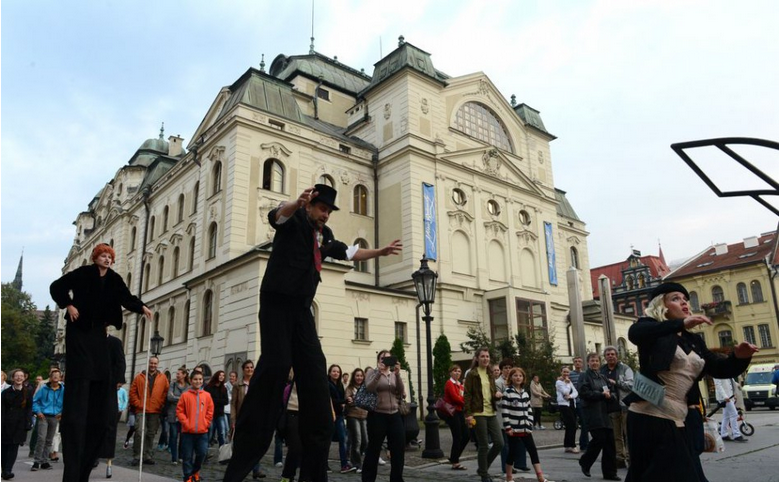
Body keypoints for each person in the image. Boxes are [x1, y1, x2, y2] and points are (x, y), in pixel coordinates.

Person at [224, 185, 402, 482]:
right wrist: (297, 202)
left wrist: (381, 252)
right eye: (322, 209)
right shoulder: (293, 220)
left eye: (329, 211)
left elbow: (350, 252)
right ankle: (248, 442)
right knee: (278, 364)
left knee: (316, 371)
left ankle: (314, 466)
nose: (326, 214)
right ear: (310, 206)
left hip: (302, 309)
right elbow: (276, 216)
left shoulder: (325, 236)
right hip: (276, 303)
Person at [625, 283, 756, 482]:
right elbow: (636, 333)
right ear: (662, 305)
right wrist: (680, 324)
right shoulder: (651, 330)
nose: (684, 302)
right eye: (676, 298)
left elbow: (718, 368)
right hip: (649, 417)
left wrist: (740, 358)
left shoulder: (693, 340)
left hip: (678, 417)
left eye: (685, 299)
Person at [49, 243, 153, 481]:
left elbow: (126, 298)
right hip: (79, 328)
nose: (107, 259)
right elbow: (57, 286)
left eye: (110, 256)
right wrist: (68, 304)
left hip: (98, 333)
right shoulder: (83, 273)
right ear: (96, 257)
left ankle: (98, 409)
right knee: (83, 372)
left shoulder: (114, 279)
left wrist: (142, 307)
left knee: (101, 373)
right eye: (104, 256)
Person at [362, 350, 407, 483]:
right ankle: (368, 479)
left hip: (394, 414)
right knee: (374, 449)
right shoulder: (372, 372)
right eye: (383, 358)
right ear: (378, 360)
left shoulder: (393, 374)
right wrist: (378, 373)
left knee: (398, 449)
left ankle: (397, 479)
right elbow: (369, 388)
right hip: (377, 415)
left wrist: (398, 375)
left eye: (389, 358)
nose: (386, 361)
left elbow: (400, 390)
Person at [501, 368, 550, 483]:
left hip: (525, 428)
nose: (518, 377)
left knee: (533, 451)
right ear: (511, 378)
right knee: (512, 453)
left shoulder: (525, 393)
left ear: (523, 378)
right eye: (515, 375)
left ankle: (540, 477)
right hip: (513, 429)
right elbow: (505, 411)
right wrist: (508, 427)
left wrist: (529, 424)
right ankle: (509, 478)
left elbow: (529, 410)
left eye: (520, 376)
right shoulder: (507, 392)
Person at [578, 353, 620, 481]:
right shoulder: (584, 376)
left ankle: (610, 473)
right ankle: (585, 461)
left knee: (610, 443)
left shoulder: (602, 377)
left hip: (604, 412)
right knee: (599, 438)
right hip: (592, 412)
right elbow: (584, 393)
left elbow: (611, 391)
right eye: (592, 361)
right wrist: (601, 395)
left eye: (597, 361)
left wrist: (610, 396)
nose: (595, 363)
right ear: (588, 362)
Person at [464, 348, 504, 483]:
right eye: (482, 356)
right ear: (477, 358)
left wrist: (496, 396)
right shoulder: (472, 374)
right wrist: (468, 414)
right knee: (484, 445)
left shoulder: (490, 373)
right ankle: (484, 474)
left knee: (499, 443)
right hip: (478, 413)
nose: (485, 359)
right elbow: (467, 395)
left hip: (491, 412)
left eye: (487, 356)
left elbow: (491, 392)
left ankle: (482, 467)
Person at [129, 356, 170, 466]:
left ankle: (147, 455)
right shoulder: (139, 377)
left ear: (158, 364)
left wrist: (160, 403)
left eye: (155, 363)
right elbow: (132, 393)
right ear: (148, 363)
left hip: (155, 410)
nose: (153, 365)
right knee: (139, 433)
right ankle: (137, 455)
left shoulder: (163, 378)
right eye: (151, 363)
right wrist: (139, 404)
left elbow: (166, 392)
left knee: (151, 434)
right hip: (141, 409)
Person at [177, 370, 214, 483]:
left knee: (202, 453)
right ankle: (188, 476)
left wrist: (206, 422)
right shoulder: (185, 395)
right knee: (187, 456)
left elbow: (210, 410)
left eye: (200, 379)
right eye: (195, 379)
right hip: (188, 432)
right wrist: (186, 423)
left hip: (202, 432)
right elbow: (180, 410)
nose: (198, 381)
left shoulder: (207, 395)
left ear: (202, 381)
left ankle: (195, 471)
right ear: (191, 380)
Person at [600, 346, 634, 468]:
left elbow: (631, 384)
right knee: (616, 435)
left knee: (628, 433)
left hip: (625, 405)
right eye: (608, 354)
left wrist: (617, 383)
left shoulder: (625, 368)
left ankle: (631, 458)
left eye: (612, 354)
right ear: (605, 357)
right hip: (610, 406)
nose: (610, 356)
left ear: (616, 355)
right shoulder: (602, 370)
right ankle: (620, 457)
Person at [230, 360, 264, 479]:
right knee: (240, 445)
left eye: (251, 367)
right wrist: (233, 420)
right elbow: (233, 403)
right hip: (241, 418)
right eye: (247, 368)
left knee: (255, 444)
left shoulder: (258, 383)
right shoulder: (237, 385)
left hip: (254, 418)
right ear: (243, 370)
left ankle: (256, 469)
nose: (250, 370)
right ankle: (238, 469)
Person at [99, 333, 126, 478]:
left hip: (109, 385)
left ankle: (108, 457)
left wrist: (119, 379)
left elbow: (120, 362)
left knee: (109, 423)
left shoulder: (115, 342)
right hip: (93, 386)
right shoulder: (90, 339)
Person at [496, 358, 528, 474]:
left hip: (516, 416)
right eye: (505, 368)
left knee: (520, 440)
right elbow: (497, 401)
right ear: (501, 370)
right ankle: (506, 466)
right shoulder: (498, 383)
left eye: (510, 368)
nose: (508, 370)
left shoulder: (515, 381)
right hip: (503, 415)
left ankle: (521, 463)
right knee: (506, 444)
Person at [2, 369, 34, 480]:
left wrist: (29, 421)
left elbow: (29, 408)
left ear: (24, 378)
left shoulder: (28, 391)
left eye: (21, 376)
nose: (19, 378)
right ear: (12, 378)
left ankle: (8, 470)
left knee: (14, 447)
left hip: (20, 424)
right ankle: (4, 468)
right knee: (4, 447)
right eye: (17, 376)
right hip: (6, 423)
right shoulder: (5, 393)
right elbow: (2, 409)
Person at [31, 368, 64, 472]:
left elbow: (67, 402)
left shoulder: (63, 390)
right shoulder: (44, 389)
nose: (55, 377)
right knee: (41, 438)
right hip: (44, 416)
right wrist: (38, 411)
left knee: (49, 440)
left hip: (55, 416)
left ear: (60, 378)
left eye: (57, 375)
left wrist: (62, 412)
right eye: (53, 375)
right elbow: (35, 401)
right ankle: (37, 461)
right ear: (50, 377)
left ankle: (45, 461)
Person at [328, 364, 354, 473]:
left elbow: (341, 399)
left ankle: (344, 465)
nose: (336, 373)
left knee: (343, 439)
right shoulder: (327, 384)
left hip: (339, 416)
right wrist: (344, 401)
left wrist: (346, 401)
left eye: (338, 372)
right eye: (334, 371)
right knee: (327, 441)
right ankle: (323, 464)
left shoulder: (339, 385)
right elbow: (331, 400)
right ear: (329, 373)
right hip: (329, 416)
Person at [443, 365, 469, 471]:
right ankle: (455, 461)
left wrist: (463, 400)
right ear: (450, 373)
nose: (457, 373)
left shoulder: (460, 385)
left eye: (459, 371)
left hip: (459, 412)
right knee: (457, 436)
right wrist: (465, 402)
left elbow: (462, 396)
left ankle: (454, 457)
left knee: (466, 435)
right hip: (452, 412)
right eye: (455, 371)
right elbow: (455, 398)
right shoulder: (449, 383)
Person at [344, 368, 369, 472]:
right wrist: (357, 401)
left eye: (361, 376)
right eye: (357, 375)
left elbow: (368, 402)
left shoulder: (366, 388)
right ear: (354, 377)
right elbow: (348, 401)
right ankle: (357, 464)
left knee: (365, 441)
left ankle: (355, 459)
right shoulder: (350, 388)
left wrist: (355, 400)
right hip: (353, 416)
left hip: (364, 416)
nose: (359, 377)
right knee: (357, 440)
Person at [168, 368, 190, 464]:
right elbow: (169, 397)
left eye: (179, 373)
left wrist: (176, 398)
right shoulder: (172, 384)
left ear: (184, 375)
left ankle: (181, 456)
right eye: (176, 373)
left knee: (183, 437)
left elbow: (189, 400)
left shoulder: (189, 387)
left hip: (184, 415)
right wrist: (182, 398)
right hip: (173, 414)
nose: (177, 375)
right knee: (173, 436)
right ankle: (174, 457)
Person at [556, 366, 580, 454]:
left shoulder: (569, 382)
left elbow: (575, 392)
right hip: (564, 405)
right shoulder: (559, 382)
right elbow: (565, 391)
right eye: (564, 372)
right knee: (572, 424)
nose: (566, 374)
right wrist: (566, 383)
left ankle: (567, 445)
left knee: (571, 425)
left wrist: (570, 396)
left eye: (567, 372)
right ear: (561, 372)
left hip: (571, 404)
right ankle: (572, 445)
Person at [715, 377, 746, 443]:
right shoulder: (717, 373)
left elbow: (731, 383)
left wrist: (734, 393)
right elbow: (718, 385)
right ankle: (736, 435)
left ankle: (724, 434)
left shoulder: (727, 371)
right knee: (734, 414)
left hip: (729, 396)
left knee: (726, 416)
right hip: (725, 397)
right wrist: (725, 396)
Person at [569, 357, 589, 451]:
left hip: (582, 401)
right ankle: (571, 444)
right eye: (576, 361)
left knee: (585, 423)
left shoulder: (585, 374)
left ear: (582, 363)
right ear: (573, 363)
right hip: (572, 402)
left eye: (579, 361)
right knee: (572, 424)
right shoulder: (569, 374)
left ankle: (584, 444)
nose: (577, 363)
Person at [205, 371, 229, 447]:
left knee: (222, 433)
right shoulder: (209, 387)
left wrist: (215, 400)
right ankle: (206, 451)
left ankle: (222, 451)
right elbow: (207, 400)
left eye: (223, 375)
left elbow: (226, 401)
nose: (222, 377)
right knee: (210, 433)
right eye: (220, 375)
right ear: (216, 376)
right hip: (210, 413)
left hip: (220, 414)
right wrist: (218, 401)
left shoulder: (224, 388)